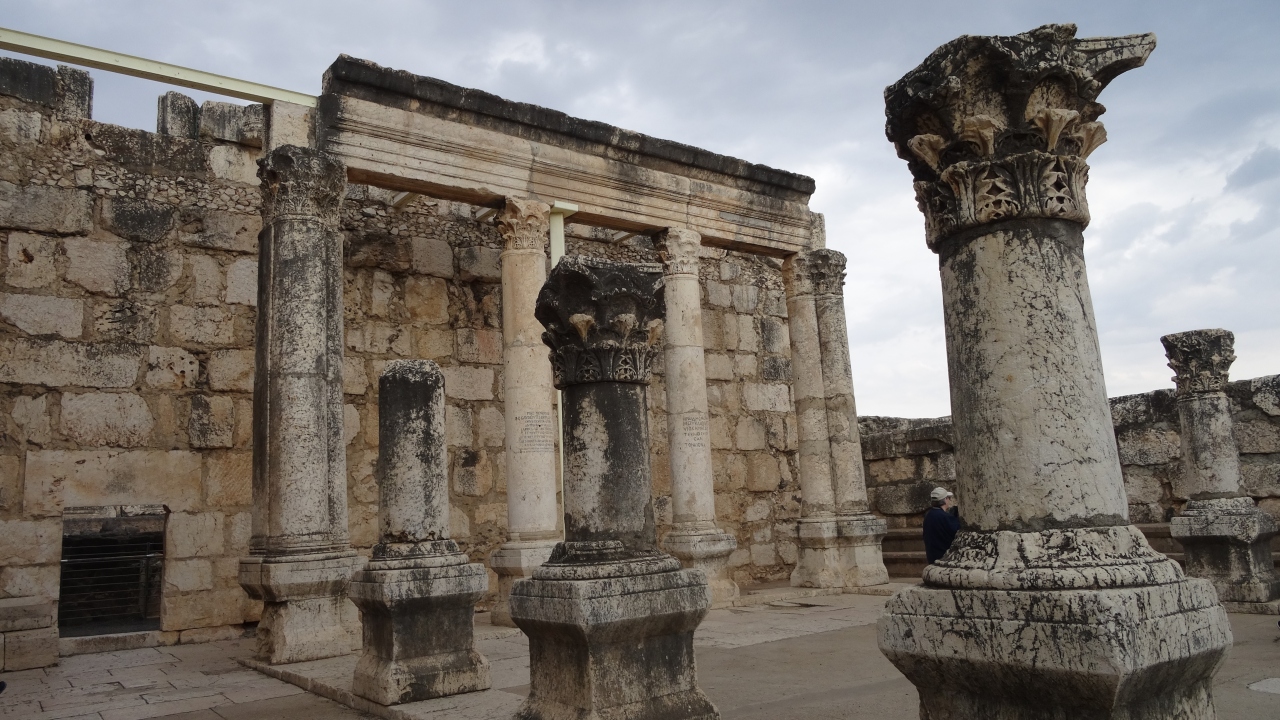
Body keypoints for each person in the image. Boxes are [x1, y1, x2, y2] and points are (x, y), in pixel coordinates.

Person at [923, 486, 960, 564]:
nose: (949, 500)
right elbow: (957, 531)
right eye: (948, 498)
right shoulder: (945, 517)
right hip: (943, 557)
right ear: (945, 500)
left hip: (931, 556)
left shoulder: (928, 515)